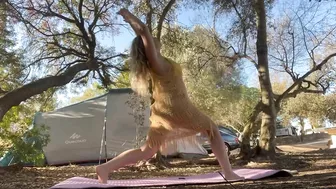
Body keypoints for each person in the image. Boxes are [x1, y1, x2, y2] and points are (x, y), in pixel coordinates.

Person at [95, 8, 244, 184]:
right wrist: (129, 16)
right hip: (177, 108)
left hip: (162, 112)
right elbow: (143, 32)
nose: (153, 39)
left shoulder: (157, 60)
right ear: (148, 46)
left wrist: (130, 23)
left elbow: (141, 35)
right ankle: (228, 173)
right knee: (212, 130)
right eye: (149, 40)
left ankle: (104, 168)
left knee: (147, 151)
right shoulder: (156, 62)